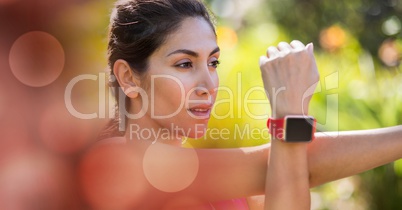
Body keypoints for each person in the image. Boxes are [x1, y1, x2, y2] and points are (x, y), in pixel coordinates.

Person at [79, 0, 402, 209]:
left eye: (213, 63)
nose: (208, 84)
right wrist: (289, 112)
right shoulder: (115, 162)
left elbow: (296, 165)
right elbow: (278, 162)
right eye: (184, 65)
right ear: (129, 77)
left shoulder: (234, 184)